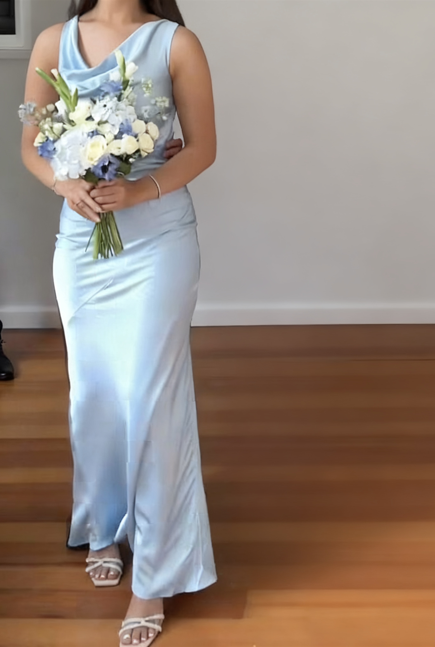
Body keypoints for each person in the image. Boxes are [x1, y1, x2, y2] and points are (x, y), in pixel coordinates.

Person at [21, 0, 217, 645]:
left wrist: (138, 189)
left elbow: (203, 148)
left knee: (152, 400)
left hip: (158, 240)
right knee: (94, 394)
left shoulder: (176, 44)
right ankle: (103, 526)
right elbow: (32, 145)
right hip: (82, 246)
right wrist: (64, 184)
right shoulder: (53, 41)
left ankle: (154, 575)